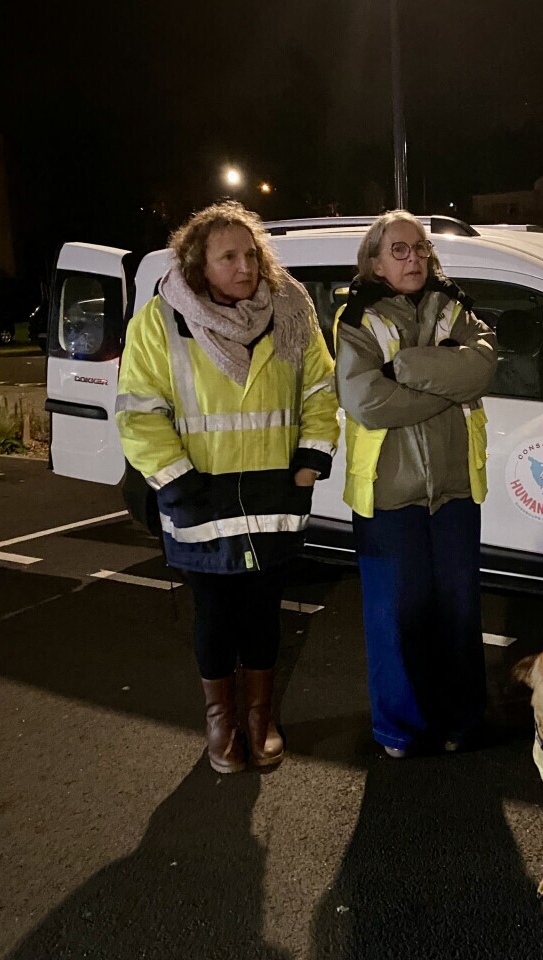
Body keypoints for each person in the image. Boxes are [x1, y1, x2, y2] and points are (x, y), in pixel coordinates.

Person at [115, 201, 339, 773]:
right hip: (200, 494)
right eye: (229, 257)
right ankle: (222, 723)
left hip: (273, 492)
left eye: (251, 255)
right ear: (198, 264)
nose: (245, 267)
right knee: (214, 613)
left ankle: (260, 719)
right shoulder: (160, 321)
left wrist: (311, 461)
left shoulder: (291, 311)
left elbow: (319, 389)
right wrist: (176, 479)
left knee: (264, 611)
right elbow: (140, 412)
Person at [333, 211, 498, 759]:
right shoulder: (357, 316)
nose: (413, 260)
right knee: (395, 617)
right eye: (399, 251)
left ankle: (462, 720)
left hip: (452, 489)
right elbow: (366, 402)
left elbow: (481, 369)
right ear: (375, 261)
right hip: (388, 493)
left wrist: (402, 365)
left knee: (458, 612)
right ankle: (399, 729)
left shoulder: (455, 304)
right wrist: (443, 383)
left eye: (420, 249)